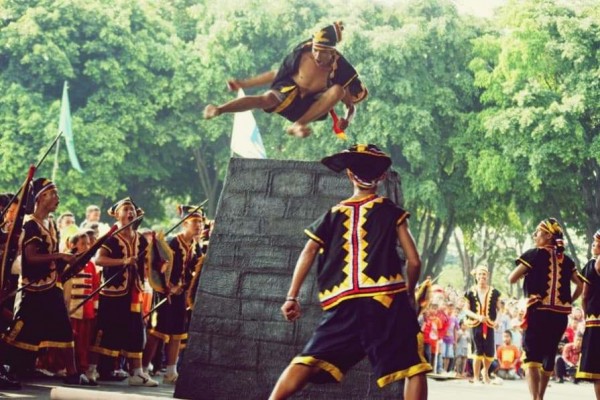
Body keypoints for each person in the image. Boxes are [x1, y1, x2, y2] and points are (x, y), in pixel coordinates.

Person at [269, 144, 430, 400]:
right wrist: (409, 293)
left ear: (349, 175)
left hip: (343, 303)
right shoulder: (391, 211)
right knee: (414, 366)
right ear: (381, 178)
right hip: (385, 300)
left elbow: (308, 252)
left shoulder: (331, 215)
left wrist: (292, 297)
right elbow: (414, 261)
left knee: (308, 359)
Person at [204, 22, 368, 138]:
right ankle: (219, 109)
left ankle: (299, 125)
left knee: (338, 90)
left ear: (333, 53)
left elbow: (350, 106)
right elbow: (276, 74)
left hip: (308, 108)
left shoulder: (340, 71)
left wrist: (346, 120)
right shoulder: (303, 55)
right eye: (315, 50)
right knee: (266, 99)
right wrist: (244, 84)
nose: (317, 56)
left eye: (323, 52)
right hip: (286, 94)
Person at [2, 178, 94, 386]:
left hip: (51, 286)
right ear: (41, 197)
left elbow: (52, 255)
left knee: (63, 327)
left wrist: (68, 260)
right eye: (53, 194)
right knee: (20, 330)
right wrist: (60, 256)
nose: (58, 199)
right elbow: (31, 257)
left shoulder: (50, 224)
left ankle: (72, 372)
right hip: (31, 288)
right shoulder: (30, 224)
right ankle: (10, 368)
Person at [86, 198, 159, 387]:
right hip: (113, 292)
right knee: (105, 330)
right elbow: (99, 260)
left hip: (134, 291)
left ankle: (137, 372)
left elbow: (147, 263)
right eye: (126, 209)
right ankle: (91, 369)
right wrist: (123, 261)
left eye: (133, 209)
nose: (131, 212)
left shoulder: (140, 238)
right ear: (117, 214)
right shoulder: (111, 237)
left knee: (136, 331)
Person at [509, 218, 583, 400]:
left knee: (532, 356)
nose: (535, 236)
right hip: (559, 317)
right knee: (549, 354)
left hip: (538, 312)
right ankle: (540, 396)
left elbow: (512, 278)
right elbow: (580, 286)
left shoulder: (534, 254)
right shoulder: (567, 260)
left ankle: (536, 398)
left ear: (548, 235)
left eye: (538, 233)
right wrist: (568, 301)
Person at [142, 205, 204, 384]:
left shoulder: (195, 245)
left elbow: (194, 269)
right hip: (164, 294)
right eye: (195, 222)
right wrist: (168, 286)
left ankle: (171, 371)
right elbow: (157, 267)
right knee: (157, 332)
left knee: (178, 332)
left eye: (200, 223)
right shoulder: (172, 242)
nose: (199, 226)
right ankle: (143, 369)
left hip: (181, 295)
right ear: (185, 223)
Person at [63, 231, 100, 375]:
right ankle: (65, 367)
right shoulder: (66, 263)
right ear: (72, 245)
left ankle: (82, 367)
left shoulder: (91, 264)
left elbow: (95, 286)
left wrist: (95, 307)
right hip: (70, 308)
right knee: (69, 339)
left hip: (86, 309)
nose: (87, 246)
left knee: (84, 341)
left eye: (88, 244)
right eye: (83, 244)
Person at [463, 265, 501, 384]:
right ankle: (475, 377)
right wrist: (478, 316)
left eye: (484, 274)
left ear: (487, 275)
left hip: (489, 324)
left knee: (489, 352)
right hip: (475, 324)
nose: (482, 277)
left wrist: (497, 321)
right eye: (479, 274)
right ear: (476, 276)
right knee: (477, 351)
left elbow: (500, 309)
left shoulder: (494, 292)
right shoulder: (469, 292)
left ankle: (485, 372)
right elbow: (466, 310)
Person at [575, 229, 600, 398]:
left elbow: (584, 296)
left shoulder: (593, 264)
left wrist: (586, 315)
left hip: (595, 321)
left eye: (596, 241)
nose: (593, 244)